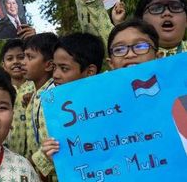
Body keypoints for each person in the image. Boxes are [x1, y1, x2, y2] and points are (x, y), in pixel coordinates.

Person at [40, 21, 161, 179]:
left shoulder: (178, 95)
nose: (130, 54)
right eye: (119, 49)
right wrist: (58, 154)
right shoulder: (84, 113)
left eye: (140, 46)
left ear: (159, 56)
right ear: (111, 63)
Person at [34, 32, 104, 181]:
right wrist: (48, 155)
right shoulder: (56, 108)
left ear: (90, 72)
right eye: (55, 67)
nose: (56, 75)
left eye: (64, 68)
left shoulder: (109, 106)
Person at [22, 33, 58, 164]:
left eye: (30, 57)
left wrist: (33, 162)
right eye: (24, 56)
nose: (23, 62)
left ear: (49, 65)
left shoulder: (54, 95)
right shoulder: (35, 95)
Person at [1, 39, 35, 157]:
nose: (16, 62)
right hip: (8, 154)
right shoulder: (1, 89)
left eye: (21, 57)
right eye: (10, 59)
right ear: (3, 65)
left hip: (34, 155)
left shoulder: (36, 86)